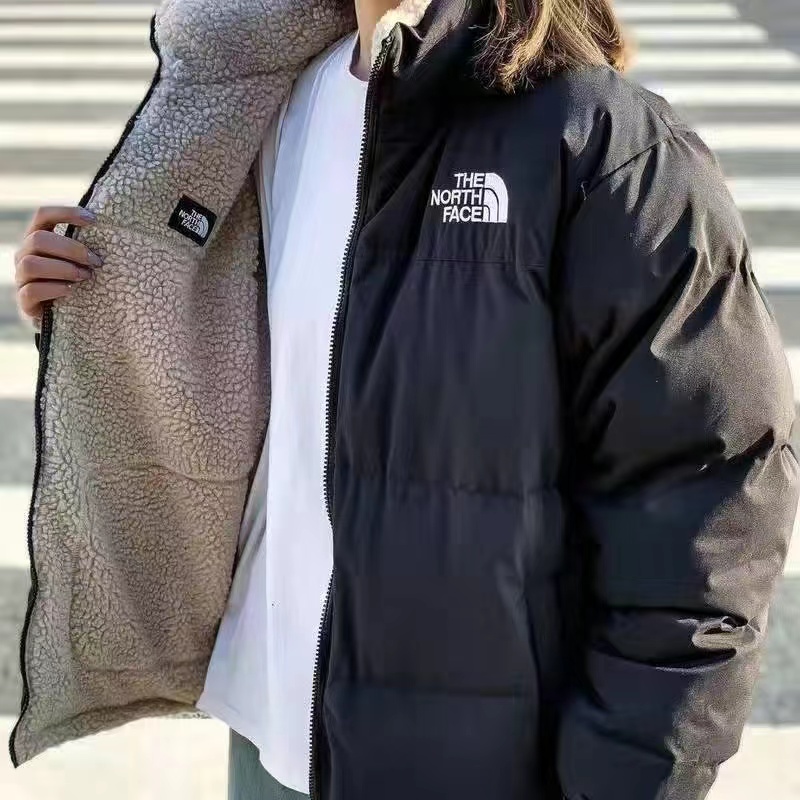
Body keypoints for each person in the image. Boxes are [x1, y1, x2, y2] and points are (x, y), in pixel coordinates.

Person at [10, 0, 799, 798]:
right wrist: (105, 306)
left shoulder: (604, 143)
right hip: (268, 723)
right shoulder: (269, 96)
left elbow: (706, 497)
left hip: (470, 762)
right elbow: (264, 372)